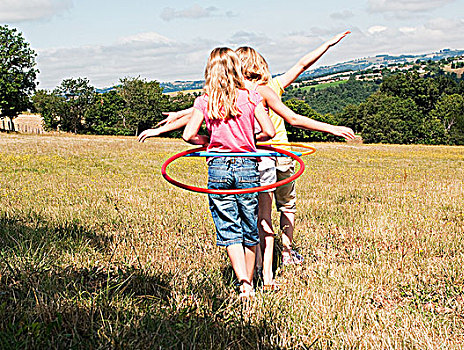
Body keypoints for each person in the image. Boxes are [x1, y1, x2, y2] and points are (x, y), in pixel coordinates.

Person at [138, 31, 354, 288]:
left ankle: (251, 278)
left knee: (248, 219)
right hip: (264, 157)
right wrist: (330, 127)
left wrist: (175, 127)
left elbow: (201, 111)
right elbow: (294, 93)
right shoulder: (261, 91)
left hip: (242, 160)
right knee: (273, 213)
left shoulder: (224, 95)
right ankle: (271, 269)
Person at [181, 47, 275, 299]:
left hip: (218, 167)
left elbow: (188, 135)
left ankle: (244, 285)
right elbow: (269, 132)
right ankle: (252, 281)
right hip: (247, 166)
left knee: (228, 225)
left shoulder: (204, 101)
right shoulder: (251, 98)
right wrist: (248, 139)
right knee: (248, 223)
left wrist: (209, 140)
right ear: (236, 68)